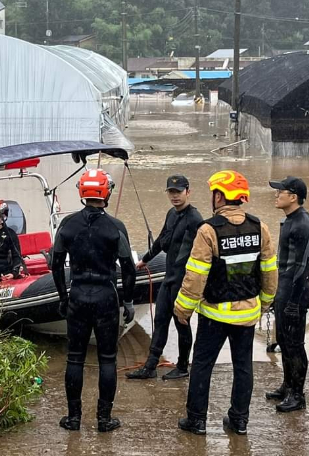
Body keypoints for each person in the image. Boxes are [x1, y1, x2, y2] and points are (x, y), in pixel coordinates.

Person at [175, 170, 278, 436]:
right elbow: (269, 272)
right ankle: (239, 420)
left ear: (220, 196)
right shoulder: (259, 227)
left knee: (201, 365)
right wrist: (265, 303)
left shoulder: (208, 230)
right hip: (247, 314)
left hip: (214, 315)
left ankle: (197, 420)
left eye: (214, 193)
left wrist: (183, 308)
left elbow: (196, 275)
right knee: (243, 367)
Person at [51, 168, 137, 432]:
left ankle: (74, 418)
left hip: (78, 294)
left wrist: (63, 297)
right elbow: (128, 267)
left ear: (82, 192)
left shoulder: (67, 225)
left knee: (75, 358)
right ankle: (104, 419)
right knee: (107, 359)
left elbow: (55, 263)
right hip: (106, 296)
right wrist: (129, 301)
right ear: (105, 192)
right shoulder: (115, 227)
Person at [126, 174, 202, 380]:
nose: (175, 196)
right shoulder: (171, 213)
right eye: (171, 192)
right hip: (169, 278)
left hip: (183, 281)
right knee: (160, 320)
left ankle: (183, 366)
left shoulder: (195, 219)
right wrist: (145, 259)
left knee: (182, 323)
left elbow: (204, 253)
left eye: (178, 192)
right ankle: (150, 366)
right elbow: (161, 240)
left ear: (188, 191)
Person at [266, 176, 309, 413]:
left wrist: (293, 301)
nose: (277, 195)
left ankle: (298, 395)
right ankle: (287, 386)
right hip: (284, 290)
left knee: (295, 345)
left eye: (281, 192)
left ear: (293, 197)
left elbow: (302, 266)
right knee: (284, 342)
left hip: (296, 293)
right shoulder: (290, 220)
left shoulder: (303, 223)